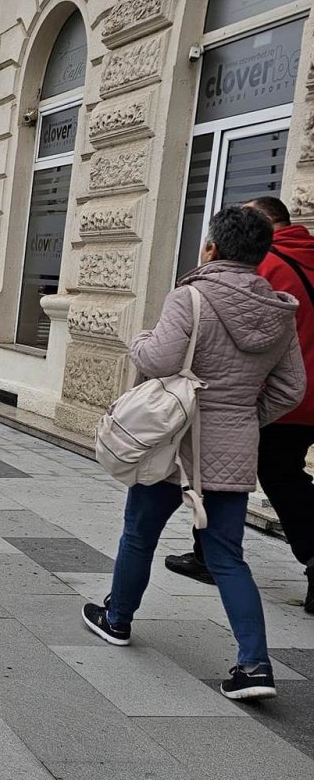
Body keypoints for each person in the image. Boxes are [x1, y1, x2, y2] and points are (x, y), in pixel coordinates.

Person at [82, 206, 304, 701]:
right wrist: (244, 417)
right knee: (227, 557)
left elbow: (158, 359)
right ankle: (254, 666)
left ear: (212, 248)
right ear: (261, 254)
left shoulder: (191, 297)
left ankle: (117, 618)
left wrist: (139, 339)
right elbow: (291, 388)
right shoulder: (279, 311)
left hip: (174, 442)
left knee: (140, 534)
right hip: (233, 448)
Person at [166, 197, 314, 614]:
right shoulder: (307, 256)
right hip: (308, 395)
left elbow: (238, 336)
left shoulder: (269, 267)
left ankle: (212, 557)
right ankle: (208, 554)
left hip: (281, 395)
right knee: (283, 472)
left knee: (244, 470)